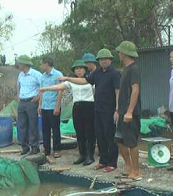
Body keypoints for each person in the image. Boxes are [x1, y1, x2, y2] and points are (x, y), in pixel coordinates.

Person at [59, 49, 121, 172]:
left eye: (106, 59)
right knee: (99, 135)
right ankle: (103, 161)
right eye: (101, 59)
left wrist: (117, 110)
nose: (103, 61)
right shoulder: (97, 72)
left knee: (110, 135)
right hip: (97, 109)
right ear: (98, 61)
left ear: (110, 60)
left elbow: (118, 92)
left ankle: (112, 163)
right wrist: (67, 78)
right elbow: (84, 81)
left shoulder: (115, 73)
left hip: (109, 109)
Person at [40, 60, 95, 165]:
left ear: (85, 69)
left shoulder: (90, 79)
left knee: (89, 133)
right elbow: (59, 87)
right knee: (79, 132)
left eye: (81, 68)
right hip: (77, 107)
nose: (79, 70)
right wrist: (46, 88)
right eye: (77, 69)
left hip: (89, 106)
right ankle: (82, 155)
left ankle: (90, 156)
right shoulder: (71, 82)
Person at [114, 41, 142, 182]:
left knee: (132, 142)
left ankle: (136, 172)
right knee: (119, 140)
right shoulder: (125, 69)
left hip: (131, 113)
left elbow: (135, 90)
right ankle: (128, 167)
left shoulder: (134, 69)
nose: (118, 54)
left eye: (120, 52)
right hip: (122, 111)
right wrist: (118, 110)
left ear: (124, 53)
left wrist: (130, 111)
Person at [16, 55, 42, 155]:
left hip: (32, 102)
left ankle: (35, 147)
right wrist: (18, 96)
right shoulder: (20, 75)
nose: (18, 65)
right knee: (21, 125)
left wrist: (38, 96)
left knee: (33, 125)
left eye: (19, 63)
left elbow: (43, 86)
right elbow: (18, 86)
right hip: (22, 102)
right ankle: (24, 147)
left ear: (24, 64)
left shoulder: (36, 74)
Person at [39, 57, 63, 158]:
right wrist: (40, 105)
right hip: (45, 106)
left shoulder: (58, 74)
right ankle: (47, 149)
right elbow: (41, 91)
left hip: (53, 106)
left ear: (47, 64)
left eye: (41, 64)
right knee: (45, 129)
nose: (40, 66)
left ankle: (57, 149)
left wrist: (57, 106)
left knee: (55, 129)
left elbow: (60, 90)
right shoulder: (43, 76)